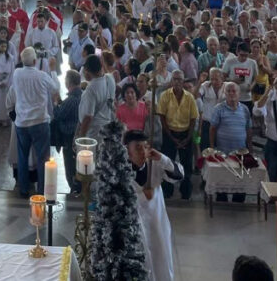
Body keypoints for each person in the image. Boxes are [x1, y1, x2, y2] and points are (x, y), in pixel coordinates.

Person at [125, 130, 183, 281]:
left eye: (145, 147)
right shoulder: (122, 172)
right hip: (135, 227)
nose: (142, 152)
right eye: (137, 148)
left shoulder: (155, 165)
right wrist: (142, 195)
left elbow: (178, 175)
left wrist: (162, 158)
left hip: (157, 223)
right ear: (128, 151)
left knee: (160, 259)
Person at [6, 47, 60, 198]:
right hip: (40, 122)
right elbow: (55, 89)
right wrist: (53, 70)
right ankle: (41, 191)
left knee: (22, 157)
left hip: (22, 123)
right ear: (35, 61)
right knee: (42, 158)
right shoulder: (42, 76)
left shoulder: (17, 74)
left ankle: (24, 189)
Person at [156, 70, 197, 199]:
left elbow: (193, 119)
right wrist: (172, 137)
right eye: (175, 79)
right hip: (169, 133)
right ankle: (167, 191)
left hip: (186, 133)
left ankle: (185, 192)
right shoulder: (165, 96)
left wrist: (188, 138)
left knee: (186, 164)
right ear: (171, 81)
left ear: (183, 81)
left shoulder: (189, 97)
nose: (177, 82)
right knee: (168, 163)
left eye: (179, 79)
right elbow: (162, 117)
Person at [52, 70, 82, 195]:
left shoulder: (72, 99)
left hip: (69, 137)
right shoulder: (81, 95)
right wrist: (61, 102)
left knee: (70, 167)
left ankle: (73, 190)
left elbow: (59, 115)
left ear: (68, 82)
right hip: (78, 135)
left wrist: (55, 104)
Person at [77, 54, 116, 141]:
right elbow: (105, 74)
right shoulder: (110, 79)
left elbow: (88, 117)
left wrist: (81, 138)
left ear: (87, 71)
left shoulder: (91, 89)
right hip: (109, 129)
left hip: (95, 134)